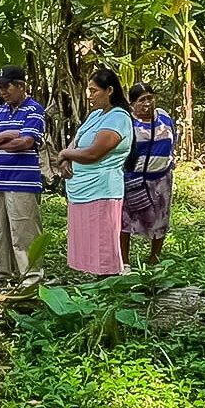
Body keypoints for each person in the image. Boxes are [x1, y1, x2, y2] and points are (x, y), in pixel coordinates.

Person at [59, 68, 134, 276]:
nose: (89, 96)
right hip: (82, 190)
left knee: (102, 247)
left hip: (101, 190)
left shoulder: (118, 117)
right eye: (88, 91)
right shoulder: (95, 116)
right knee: (88, 245)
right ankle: (95, 289)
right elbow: (78, 140)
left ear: (109, 90)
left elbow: (93, 153)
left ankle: (107, 288)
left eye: (94, 91)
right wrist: (67, 158)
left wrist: (65, 153)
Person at [0, 65, 46, 288]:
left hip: (23, 180)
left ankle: (31, 276)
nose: (2, 92)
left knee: (24, 229)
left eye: (6, 87)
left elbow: (26, 142)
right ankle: (4, 272)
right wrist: (9, 135)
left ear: (20, 86)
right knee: (0, 229)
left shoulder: (34, 109)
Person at [120, 84, 178, 266]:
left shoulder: (164, 117)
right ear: (132, 104)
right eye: (141, 100)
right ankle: (124, 261)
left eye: (150, 98)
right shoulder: (127, 122)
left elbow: (172, 138)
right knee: (126, 220)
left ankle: (155, 258)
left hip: (162, 178)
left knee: (160, 218)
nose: (147, 103)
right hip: (134, 179)